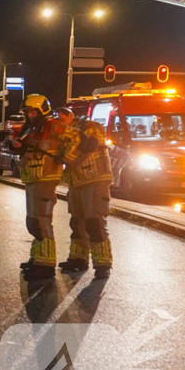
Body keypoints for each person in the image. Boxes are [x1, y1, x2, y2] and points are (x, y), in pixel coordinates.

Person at [10, 95, 68, 280]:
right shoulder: (35, 128)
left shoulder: (52, 125)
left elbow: (73, 139)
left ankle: (46, 264)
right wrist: (15, 145)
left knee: (42, 221)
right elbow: (27, 147)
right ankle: (37, 259)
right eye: (29, 112)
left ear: (42, 110)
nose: (31, 115)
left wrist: (66, 157)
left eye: (34, 111)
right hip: (34, 178)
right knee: (34, 221)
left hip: (45, 177)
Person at [56, 107, 113, 279]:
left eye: (61, 119)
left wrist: (65, 156)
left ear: (70, 116)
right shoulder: (63, 133)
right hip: (76, 181)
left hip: (95, 178)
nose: (59, 123)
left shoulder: (90, 126)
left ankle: (103, 264)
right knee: (77, 222)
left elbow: (89, 145)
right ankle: (78, 259)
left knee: (94, 221)